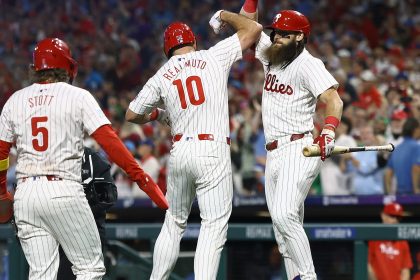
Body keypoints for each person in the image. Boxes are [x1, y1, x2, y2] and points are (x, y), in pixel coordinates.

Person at [0, 37, 168, 279]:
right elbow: (110, 143)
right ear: (67, 66)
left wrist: (2, 193)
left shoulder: (14, 100)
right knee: (90, 268)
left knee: (41, 274)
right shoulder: (78, 96)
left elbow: (1, 153)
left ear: (35, 68)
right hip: (63, 188)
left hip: (26, 194)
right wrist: (142, 179)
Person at [125, 10, 262, 280]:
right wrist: (224, 14)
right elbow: (254, 29)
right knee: (212, 225)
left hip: (180, 152)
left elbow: (131, 114)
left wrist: (157, 114)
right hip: (212, 149)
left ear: (167, 48)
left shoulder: (162, 74)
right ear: (193, 42)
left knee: (174, 223)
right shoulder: (213, 55)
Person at [237, 1, 343, 279]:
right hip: (273, 153)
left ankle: (308, 277)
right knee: (282, 232)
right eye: (276, 33)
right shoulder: (272, 55)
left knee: (285, 216)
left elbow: (334, 100)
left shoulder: (309, 64)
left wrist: (328, 132)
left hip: (299, 148)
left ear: (300, 37)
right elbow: (247, 26)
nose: (277, 37)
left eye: (284, 33)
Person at [58, 146, 117, 279]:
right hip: (56, 234)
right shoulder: (47, 158)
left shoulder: (93, 159)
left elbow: (109, 196)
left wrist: (79, 210)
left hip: (88, 232)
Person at [368, 202, 413, 280]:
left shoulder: (402, 241)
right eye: (392, 216)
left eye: (398, 218)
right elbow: (367, 265)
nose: (395, 220)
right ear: (383, 216)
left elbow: (406, 270)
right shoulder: (373, 238)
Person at [385, 117, 420, 195]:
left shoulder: (397, 148)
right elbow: (416, 169)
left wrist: (389, 193)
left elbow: (388, 173)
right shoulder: (416, 147)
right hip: (413, 197)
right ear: (416, 130)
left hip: (400, 196)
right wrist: (416, 190)